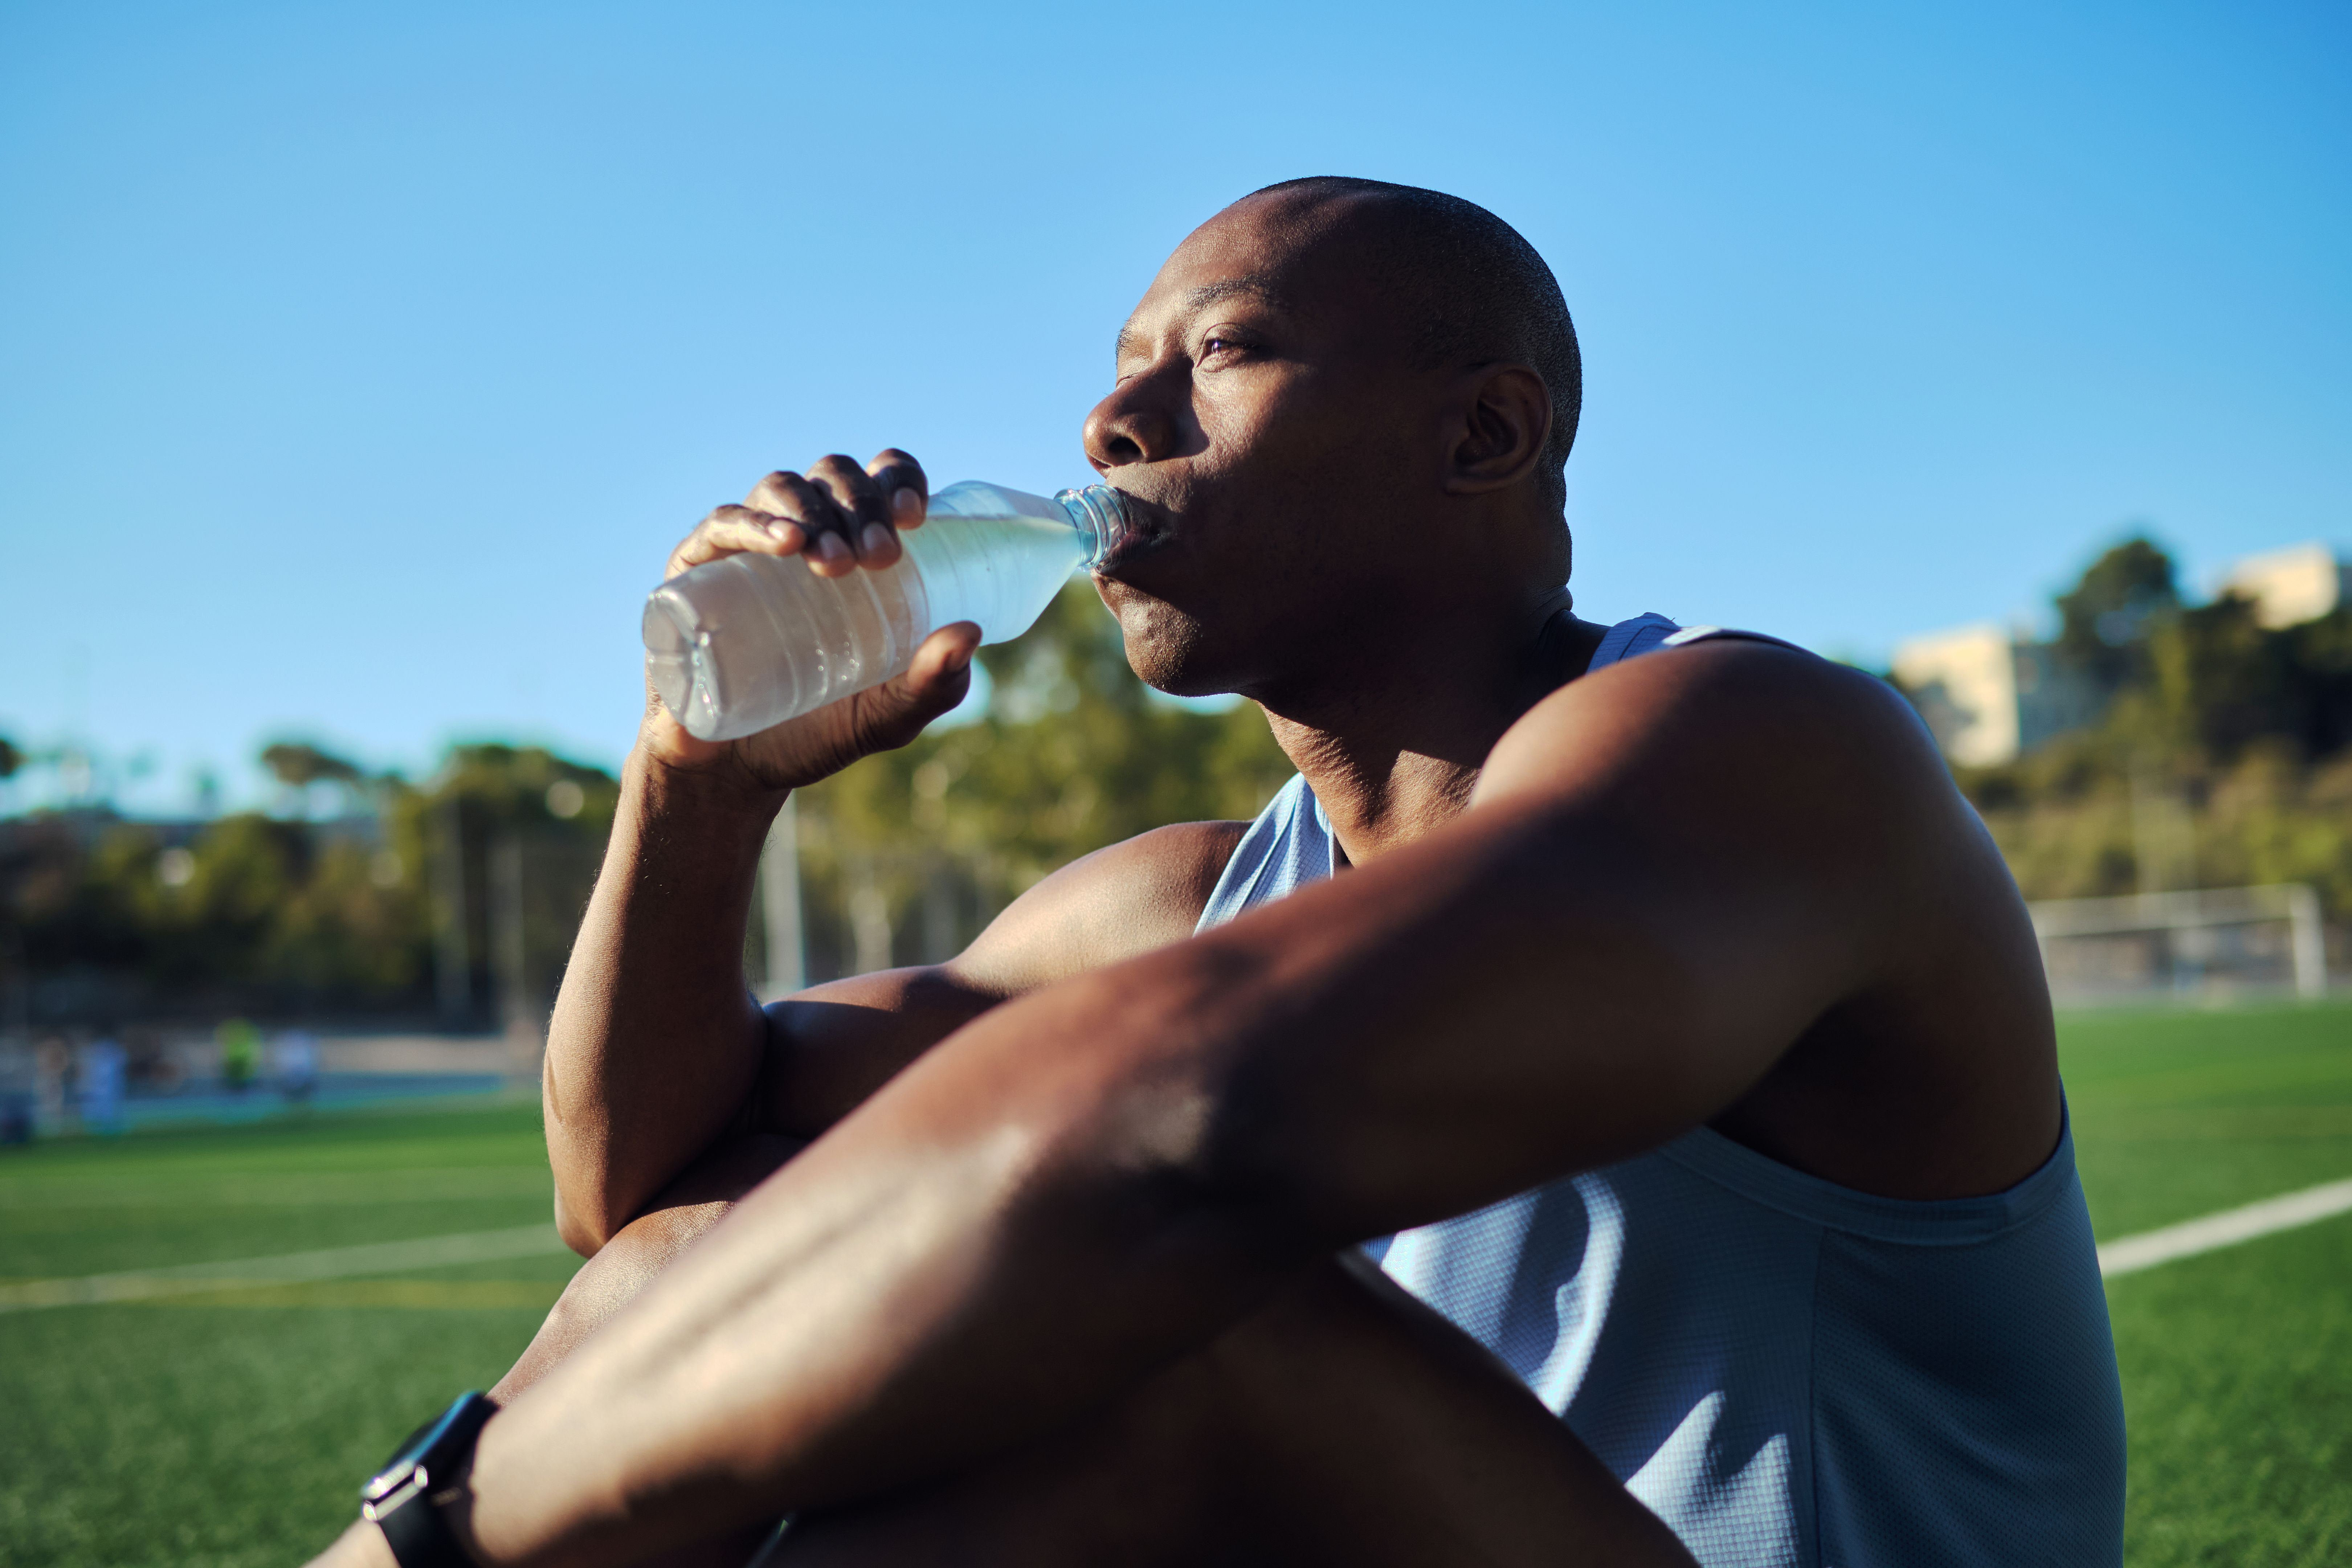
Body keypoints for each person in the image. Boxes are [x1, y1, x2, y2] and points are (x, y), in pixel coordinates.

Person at [311, 178, 2123, 1568]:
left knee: (1184, 1326)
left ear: (1484, 435)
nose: (1114, 426)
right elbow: (635, 1185)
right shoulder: (1179, 904)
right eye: (1118, 373)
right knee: (711, 1255)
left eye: (1221, 353)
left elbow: (1180, 1121)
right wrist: (692, 789)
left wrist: (438, 1530)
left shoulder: (1758, 749)